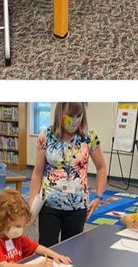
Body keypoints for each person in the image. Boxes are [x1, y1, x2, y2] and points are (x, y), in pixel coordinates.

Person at [28, 103, 108, 245]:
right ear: (60, 113)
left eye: (78, 115)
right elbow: (37, 173)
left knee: (72, 250)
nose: (75, 120)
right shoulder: (46, 135)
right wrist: (32, 206)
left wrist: (98, 197)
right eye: (70, 116)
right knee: (47, 249)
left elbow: (101, 168)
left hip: (77, 206)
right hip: (49, 204)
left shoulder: (89, 136)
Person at [0, 189, 73, 267]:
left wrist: (55, 255)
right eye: (17, 226)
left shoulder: (15, 236)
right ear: (1, 221)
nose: (20, 230)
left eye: (22, 226)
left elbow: (36, 247)